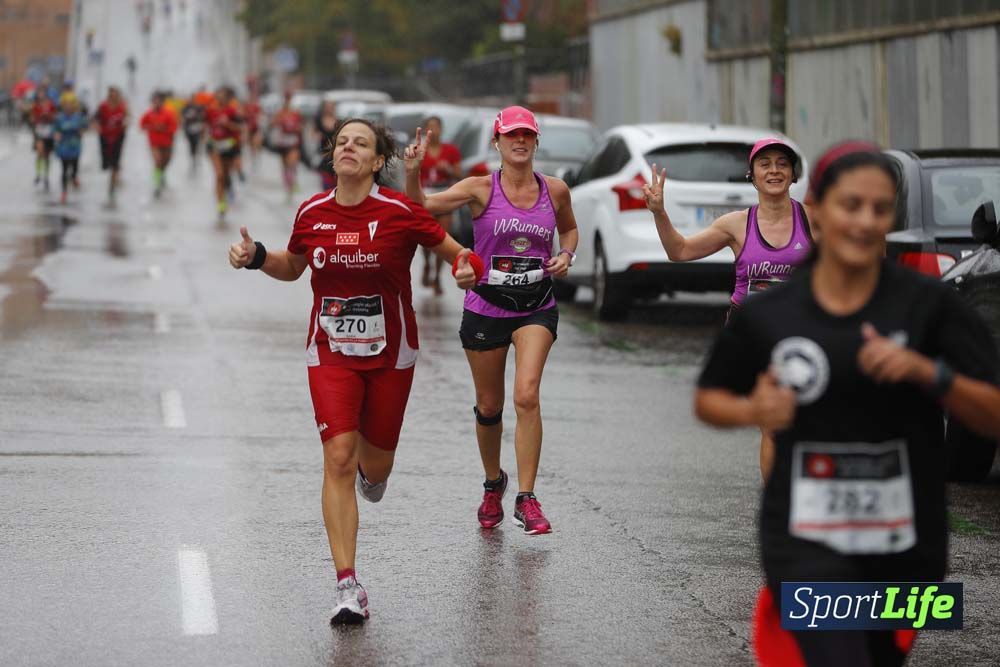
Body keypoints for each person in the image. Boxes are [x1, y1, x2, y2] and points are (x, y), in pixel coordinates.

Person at [695, 141, 1000, 667]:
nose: (864, 222)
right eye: (850, 205)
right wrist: (753, 411)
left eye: (880, 209)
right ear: (817, 207)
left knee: (875, 656)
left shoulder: (927, 305)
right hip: (803, 537)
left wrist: (929, 373)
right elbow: (708, 399)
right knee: (839, 654)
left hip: (908, 544)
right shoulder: (770, 312)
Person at [228, 118, 478, 624]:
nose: (348, 148)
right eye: (342, 141)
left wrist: (465, 268)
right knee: (338, 456)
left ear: (376, 160)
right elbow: (292, 266)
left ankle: (372, 470)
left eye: (360, 143)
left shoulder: (399, 211)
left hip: (391, 356)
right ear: (333, 154)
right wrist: (256, 257)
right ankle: (348, 585)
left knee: (375, 468)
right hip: (331, 352)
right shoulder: (313, 211)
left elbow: (456, 253)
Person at [405, 106, 579, 534]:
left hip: (536, 304)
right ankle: (492, 483)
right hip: (486, 306)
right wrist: (413, 170)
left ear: (536, 142)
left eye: (527, 135)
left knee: (527, 395)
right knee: (489, 406)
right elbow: (422, 205)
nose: (519, 142)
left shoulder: (555, 190)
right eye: (511, 135)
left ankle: (527, 497)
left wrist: (566, 254)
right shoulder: (481, 187)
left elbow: (570, 230)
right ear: (497, 143)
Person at [644, 138, 814, 481]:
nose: (774, 170)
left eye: (783, 163)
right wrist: (660, 212)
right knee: (773, 426)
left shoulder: (815, 219)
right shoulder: (736, 224)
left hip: (803, 332)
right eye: (765, 164)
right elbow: (680, 251)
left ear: (793, 174)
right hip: (754, 336)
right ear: (751, 175)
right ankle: (778, 507)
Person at [417, 115, 463, 295]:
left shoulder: (451, 150)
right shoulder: (421, 150)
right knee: (427, 239)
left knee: (442, 237)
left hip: (444, 194)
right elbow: (412, 174)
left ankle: (437, 276)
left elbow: (460, 175)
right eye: (430, 127)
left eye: (436, 127)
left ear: (442, 130)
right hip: (425, 194)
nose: (434, 130)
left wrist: (448, 169)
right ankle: (427, 264)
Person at [205, 86, 243, 219]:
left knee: (226, 176)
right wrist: (206, 138)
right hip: (215, 147)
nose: (220, 98)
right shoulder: (210, 111)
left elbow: (240, 127)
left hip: (229, 147)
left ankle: (225, 194)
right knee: (219, 175)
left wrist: (227, 124)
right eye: (218, 95)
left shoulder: (232, 111)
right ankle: (220, 203)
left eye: (223, 96)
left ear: (227, 98)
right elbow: (205, 125)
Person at [139, 91, 179, 198]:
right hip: (154, 143)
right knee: (157, 161)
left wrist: (163, 128)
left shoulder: (169, 113)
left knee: (165, 162)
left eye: (158, 101)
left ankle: (162, 174)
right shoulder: (149, 114)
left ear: (162, 102)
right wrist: (150, 127)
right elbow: (142, 125)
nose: (156, 104)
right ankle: (156, 185)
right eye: (154, 102)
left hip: (167, 143)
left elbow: (174, 127)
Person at [94, 86, 130, 200]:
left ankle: (112, 185)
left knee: (115, 162)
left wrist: (126, 124)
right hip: (105, 136)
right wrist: (97, 127)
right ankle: (112, 171)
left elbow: (127, 118)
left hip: (118, 137)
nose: (113, 96)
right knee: (106, 163)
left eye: (115, 94)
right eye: (111, 94)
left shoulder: (122, 106)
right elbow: (96, 118)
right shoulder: (103, 106)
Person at [268, 92, 304, 202]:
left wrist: (297, 129)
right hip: (283, 143)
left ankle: (292, 183)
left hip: (293, 142)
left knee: (292, 163)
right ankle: (288, 186)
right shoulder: (280, 114)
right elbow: (271, 124)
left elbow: (301, 127)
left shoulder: (296, 113)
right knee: (285, 166)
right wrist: (277, 122)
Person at [53, 94, 86, 205]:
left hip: (75, 146)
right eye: (65, 105)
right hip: (63, 147)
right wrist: (56, 134)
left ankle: (74, 177)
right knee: (64, 170)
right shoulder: (59, 118)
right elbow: (55, 129)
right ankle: (64, 192)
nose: (68, 107)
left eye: (70, 105)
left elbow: (83, 127)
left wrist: (81, 131)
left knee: (74, 168)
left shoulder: (78, 117)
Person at [30, 89, 58, 191]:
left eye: (42, 94)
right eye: (39, 94)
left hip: (48, 131)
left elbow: (55, 115)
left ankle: (46, 176)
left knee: (47, 155)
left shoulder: (50, 104)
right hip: (39, 130)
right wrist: (35, 120)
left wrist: (49, 117)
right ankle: (38, 174)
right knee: (39, 152)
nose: (41, 96)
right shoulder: (35, 106)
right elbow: (32, 118)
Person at [312, 100, 338, 191]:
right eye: (327, 106)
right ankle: (326, 193)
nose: (329, 108)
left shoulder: (337, 120)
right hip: (323, 152)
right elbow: (313, 132)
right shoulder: (319, 119)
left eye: (331, 106)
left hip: (335, 153)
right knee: (325, 177)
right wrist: (317, 135)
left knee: (335, 178)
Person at [181, 91, 206, 166]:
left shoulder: (199, 107)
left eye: (193, 99)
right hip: (188, 129)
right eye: (190, 99)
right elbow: (183, 118)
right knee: (191, 144)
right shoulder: (185, 108)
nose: (191, 100)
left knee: (196, 142)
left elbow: (203, 117)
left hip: (197, 128)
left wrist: (198, 118)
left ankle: (195, 156)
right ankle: (193, 156)